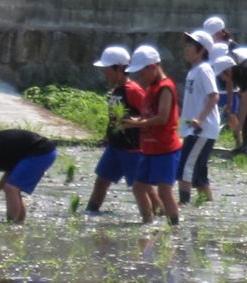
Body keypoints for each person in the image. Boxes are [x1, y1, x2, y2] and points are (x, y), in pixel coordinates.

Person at [121, 45, 182, 225]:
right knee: (138, 187)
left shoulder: (165, 88)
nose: (140, 77)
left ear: (152, 67)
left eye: (142, 72)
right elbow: (148, 115)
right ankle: (147, 222)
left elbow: (162, 118)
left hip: (165, 148)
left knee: (164, 190)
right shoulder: (150, 88)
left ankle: (174, 225)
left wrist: (137, 123)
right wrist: (136, 119)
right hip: (149, 148)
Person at [87, 46, 149, 216]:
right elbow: (113, 118)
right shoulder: (116, 90)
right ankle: (90, 214)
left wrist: (135, 122)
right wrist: (107, 136)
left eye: (107, 69)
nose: (104, 73)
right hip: (115, 148)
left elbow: (150, 116)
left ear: (120, 68)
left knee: (143, 189)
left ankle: (160, 217)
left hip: (132, 149)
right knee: (101, 182)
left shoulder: (134, 91)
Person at [177, 31, 220, 206]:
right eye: (186, 45)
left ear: (202, 50)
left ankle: (182, 207)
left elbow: (214, 96)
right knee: (199, 173)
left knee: (184, 168)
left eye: (191, 45)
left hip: (202, 128)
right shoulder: (194, 71)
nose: (186, 49)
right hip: (194, 127)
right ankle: (209, 207)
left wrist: (200, 120)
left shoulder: (204, 69)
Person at [0, 129, 57, 223]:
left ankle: (10, 227)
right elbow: (9, 174)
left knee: (11, 188)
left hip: (41, 152)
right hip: (46, 151)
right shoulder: (1, 150)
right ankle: (19, 224)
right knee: (12, 188)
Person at [210, 43, 241, 151]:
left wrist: (230, 101)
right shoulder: (215, 62)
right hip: (219, 92)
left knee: (231, 116)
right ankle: (210, 140)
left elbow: (229, 82)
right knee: (215, 116)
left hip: (230, 92)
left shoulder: (226, 62)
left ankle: (239, 141)